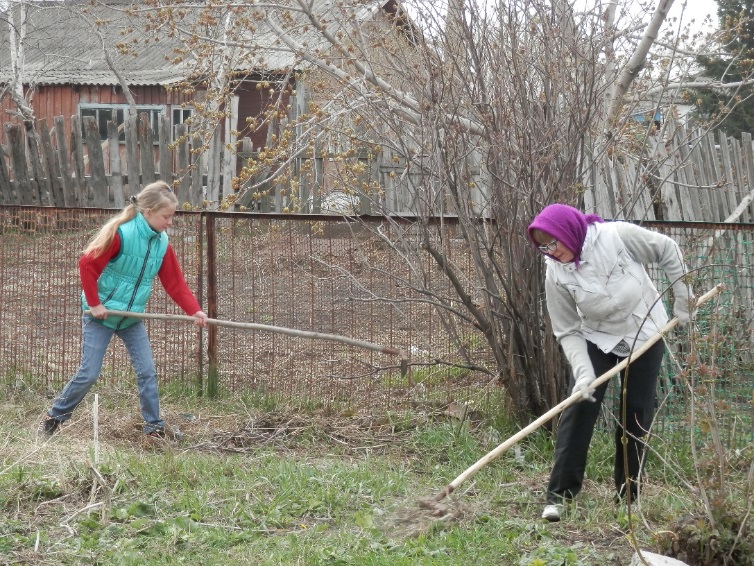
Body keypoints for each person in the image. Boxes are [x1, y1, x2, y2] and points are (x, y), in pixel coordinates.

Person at [527, 203, 693, 522]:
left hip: (644, 330)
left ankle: (627, 496)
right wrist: (583, 371)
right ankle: (559, 496)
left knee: (636, 413)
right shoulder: (555, 271)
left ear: (568, 232)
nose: (549, 251)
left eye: (553, 242)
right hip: (598, 336)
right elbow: (567, 329)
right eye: (542, 247)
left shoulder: (617, 237)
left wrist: (683, 298)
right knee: (578, 408)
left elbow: (668, 250)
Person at [40, 181, 208, 438]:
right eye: (167, 216)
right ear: (149, 212)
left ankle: (154, 428)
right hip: (101, 316)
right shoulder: (122, 234)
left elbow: (175, 283)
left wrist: (194, 310)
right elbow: (87, 264)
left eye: (171, 216)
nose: (170, 222)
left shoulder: (161, 242)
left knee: (147, 372)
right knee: (89, 373)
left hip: (131, 319)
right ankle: (55, 416)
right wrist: (95, 304)